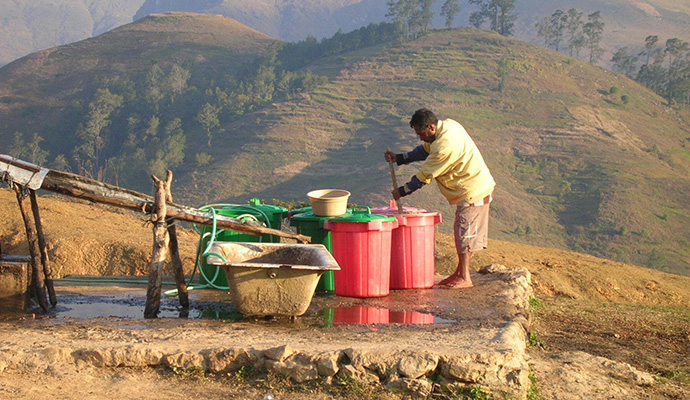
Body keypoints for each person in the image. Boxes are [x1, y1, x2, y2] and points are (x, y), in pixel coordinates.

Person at [384, 108, 495, 288]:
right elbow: (424, 151)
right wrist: (400, 158)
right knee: (464, 231)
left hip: (473, 189)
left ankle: (465, 277)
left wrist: (402, 191)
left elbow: (424, 176)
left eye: (421, 133)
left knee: (464, 233)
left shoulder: (445, 146)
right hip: (476, 186)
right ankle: (460, 272)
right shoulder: (448, 126)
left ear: (431, 127)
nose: (420, 137)